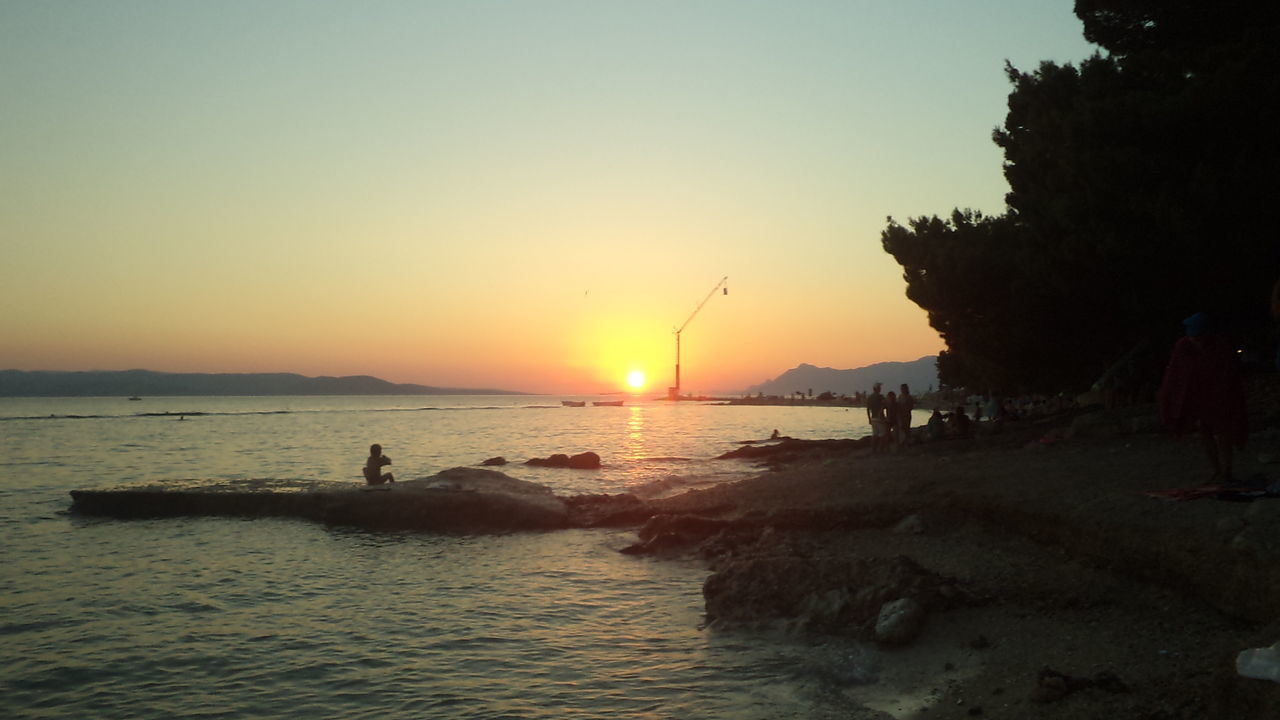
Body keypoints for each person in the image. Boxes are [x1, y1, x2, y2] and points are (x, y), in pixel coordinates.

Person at [1158, 312, 1247, 483]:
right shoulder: (1183, 347)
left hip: (1220, 395)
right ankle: (1216, 471)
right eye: (1193, 337)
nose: (1195, 340)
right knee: (1205, 432)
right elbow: (1176, 375)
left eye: (1199, 337)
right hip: (1197, 396)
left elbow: (1228, 376)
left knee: (1224, 433)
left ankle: (1226, 471)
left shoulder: (1220, 346)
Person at [866, 382, 887, 453]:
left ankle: (873, 450)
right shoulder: (880, 397)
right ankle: (881, 450)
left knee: (874, 435)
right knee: (883, 435)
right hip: (880, 418)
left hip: (873, 418)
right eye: (879, 387)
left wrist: (869, 419)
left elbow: (868, 409)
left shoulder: (870, 397)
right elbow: (884, 405)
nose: (880, 389)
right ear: (877, 389)